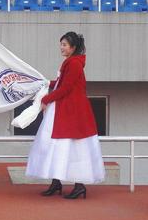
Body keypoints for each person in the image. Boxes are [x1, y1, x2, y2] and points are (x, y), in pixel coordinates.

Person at [25, 32, 105, 199]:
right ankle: (57, 182)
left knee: (72, 147)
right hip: (66, 108)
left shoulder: (74, 64)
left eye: (64, 45)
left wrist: (47, 98)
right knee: (58, 146)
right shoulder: (71, 62)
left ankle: (78, 185)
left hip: (72, 110)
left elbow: (66, 87)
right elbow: (63, 83)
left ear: (73, 47)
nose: (61, 47)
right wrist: (48, 83)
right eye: (61, 44)